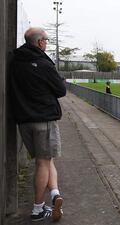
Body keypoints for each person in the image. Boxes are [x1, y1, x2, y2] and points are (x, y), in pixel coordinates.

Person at [10, 27, 66, 222]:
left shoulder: (15, 61)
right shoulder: (43, 63)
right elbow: (61, 90)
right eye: (46, 40)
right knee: (43, 162)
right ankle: (38, 209)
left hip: (24, 122)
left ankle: (55, 194)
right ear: (40, 42)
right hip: (44, 120)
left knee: (45, 160)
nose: (47, 43)